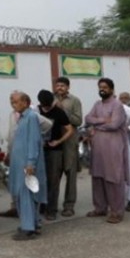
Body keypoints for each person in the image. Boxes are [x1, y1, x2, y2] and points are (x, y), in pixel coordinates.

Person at [84, 78, 129, 224]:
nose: (102, 89)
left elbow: (115, 124)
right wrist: (104, 120)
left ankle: (117, 212)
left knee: (113, 178)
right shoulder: (97, 104)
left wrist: (97, 124)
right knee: (98, 177)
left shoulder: (118, 105)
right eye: (100, 87)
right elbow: (88, 118)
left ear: (111, 89)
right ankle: (100, 208)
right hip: (98, 148)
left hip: (113, 147)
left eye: (105, 87)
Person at [9, 92, 46, 240]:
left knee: (26, 196)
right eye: (12, 101)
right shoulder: (22, 118)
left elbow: (34, 141)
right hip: (20, 164)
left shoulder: (31, 117)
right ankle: (34, 223)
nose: (13, 104)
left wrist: (30, 162)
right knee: (25, 195)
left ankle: (28, 228)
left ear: (25, 102)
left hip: (27, 165)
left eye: (16, 101)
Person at [36, 89, 74, 221]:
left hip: (55, 151)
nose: (46, 107)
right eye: (44, 105)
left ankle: (51, 209)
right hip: (39, 150)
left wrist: (59, 141)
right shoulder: (36, 111)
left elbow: (70, 129)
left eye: (48, 104)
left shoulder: (58, 112)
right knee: (40, 180)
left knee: (53, 181)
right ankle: (41, 205)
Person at [53, 77, 82, 216]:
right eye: (57, 85)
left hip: (70, 142)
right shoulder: (50, 99)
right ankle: (51, 206)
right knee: (54, 174)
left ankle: (69, 205)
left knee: (70, 174)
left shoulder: (74, 100)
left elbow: (78, 120)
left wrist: (63, 110)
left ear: (68, 87)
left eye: (62, 86)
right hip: (54, 142)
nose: (59, 88)